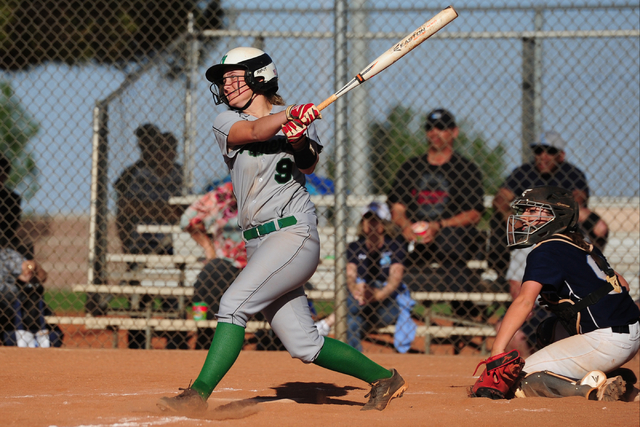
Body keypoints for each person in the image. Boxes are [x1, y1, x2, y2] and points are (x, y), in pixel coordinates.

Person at [157, 47, 407, 413]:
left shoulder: (300, 121)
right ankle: (385, 378)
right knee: (304, 345)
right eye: (223, 80)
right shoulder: (225, 122)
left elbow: (307, 164)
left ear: (260, 77)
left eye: (232, 77)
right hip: (257, 243)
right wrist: (289, 115)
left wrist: (298, 139)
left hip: (293, 234)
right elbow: (255, 130)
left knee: (232, 305)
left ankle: (198, 395)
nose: (225, 86)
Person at [490, 186, 639, 401]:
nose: (522, 217)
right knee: (548, 331)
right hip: (630, 334)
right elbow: (623, 285)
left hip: (607, 340)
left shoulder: (545, 250)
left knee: (519, 379)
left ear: (556, 217)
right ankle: (623, 388)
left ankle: (592, 387)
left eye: (531, 211)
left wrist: (497, 350)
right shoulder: (581, 244)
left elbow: (524, 302)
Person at [492, 131, 610, 356]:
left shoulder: (572, 175)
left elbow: (577, 202)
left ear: (561, 156)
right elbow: (500, 198)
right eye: (538, 150)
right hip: (542, 302)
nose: (543, 156)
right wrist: (517, 218)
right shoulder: (523, 174)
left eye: (550, 151)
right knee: (512, 331)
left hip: (583, 310)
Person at [387, 108, 485, 343]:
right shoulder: (411, 167)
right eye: (431, 128)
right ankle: (393, 310)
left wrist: (439, 225)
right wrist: (405, 226)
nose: (435, 133)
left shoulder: (465, 169)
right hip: (415, 239)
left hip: (452, 240)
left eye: (441, 128)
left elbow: (474, 213)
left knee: (449, 238)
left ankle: (462, 316)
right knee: (392, 245)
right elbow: (397, 208)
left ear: (454, 132)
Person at [114, 126, 186, 349]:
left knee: (173, 297)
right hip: (142, 244)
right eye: (159, 149)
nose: (164, 154)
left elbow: (183, 211)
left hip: (172, 245)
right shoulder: (139, 174)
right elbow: (128, 207)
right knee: (140, 295)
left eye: (169, 149)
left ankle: (176, 341)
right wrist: (164, 210)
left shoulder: (180, 173)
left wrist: (150, 209)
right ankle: (136, 342)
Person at [179, 181, 246, 349]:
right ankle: (204, 333)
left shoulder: (268, 189)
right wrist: (209, 248)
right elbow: (187, 220)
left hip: (262, 263)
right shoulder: (224, 194)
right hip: (228, 263)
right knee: (207, 276)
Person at [343, 201, 416, 353]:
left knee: (374, 283)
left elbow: (394, 279)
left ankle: (328, 321)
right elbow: (350, 276)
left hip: (386, 306)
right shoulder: (355, 247)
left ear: (384, 224)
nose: (371, 223)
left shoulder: (395, 246)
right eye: (367, 219)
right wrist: (357, 290)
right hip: (360, 304)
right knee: (352, 322)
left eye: (376, 220)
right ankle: (355, 362)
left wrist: (376, 294)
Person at [0, 245, 63, 347]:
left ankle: (35, 339)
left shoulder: (5, 256)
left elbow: (39, 275)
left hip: (9, 308)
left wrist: (32, 268)